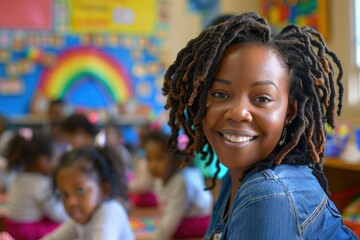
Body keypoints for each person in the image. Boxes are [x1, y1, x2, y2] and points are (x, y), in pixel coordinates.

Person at [162, 12, 358, 239]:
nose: (238, 113)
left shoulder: (267, 195)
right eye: (219, 93)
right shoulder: (235, 179)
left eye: (262, 98)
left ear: (290, 111)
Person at [41, 145, 134, 240]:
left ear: (104, 189)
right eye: (64, 194)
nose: (70, 202)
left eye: (80, 190)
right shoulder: (80, 217)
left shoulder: (109, 211)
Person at [144, 130, 213, 240]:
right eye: (149, 159)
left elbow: (171, 218)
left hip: (201, 220)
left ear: (173, 159)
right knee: (167, 224)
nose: (153, 165)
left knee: (171, 227)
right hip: (183, 217)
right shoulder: (159, 179)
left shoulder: (181, 182)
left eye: (159, 159)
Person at [3, 130, 68, 240]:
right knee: (68, 228)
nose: (58, 164)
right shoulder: (42, 184)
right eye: (56, 159)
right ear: (43, 161)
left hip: (11, 226)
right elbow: (59, 215)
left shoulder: (19, 175)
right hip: (27, 232)